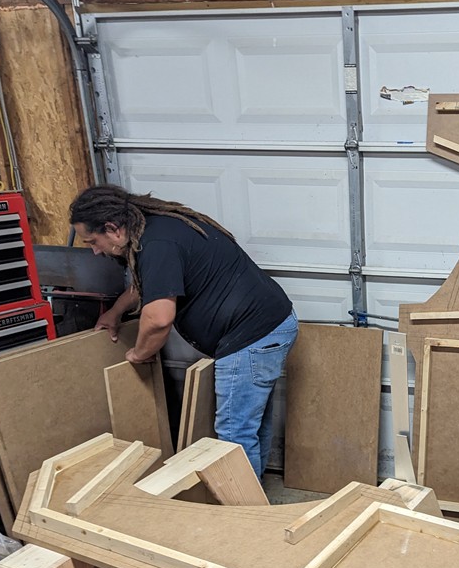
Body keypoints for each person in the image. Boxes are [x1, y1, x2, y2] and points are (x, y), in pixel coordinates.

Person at [69, 184, 297, 478]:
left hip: (251, 337)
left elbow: (158, 319)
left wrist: (138, 353)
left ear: (112, 228)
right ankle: (255, 494)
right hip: (271, 325)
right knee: (250, 426)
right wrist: (116, 311)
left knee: (235, 432)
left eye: (93, 241)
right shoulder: (158, 227)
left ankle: (244, 506)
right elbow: (150, 284)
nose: (95, 251)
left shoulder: (157, 244)